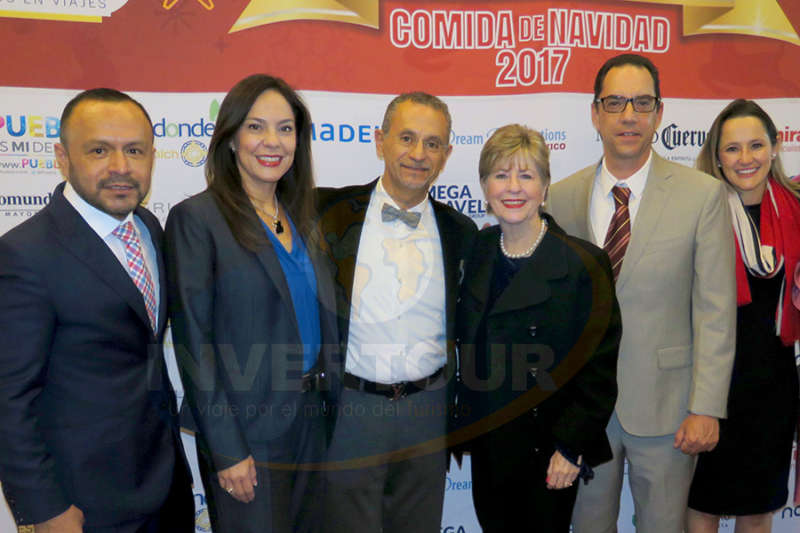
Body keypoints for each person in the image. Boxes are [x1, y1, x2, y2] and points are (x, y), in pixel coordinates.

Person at [548, 53, 737, 533]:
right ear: (595, 113)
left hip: (669, 409)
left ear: (659, 111)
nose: (628, 115)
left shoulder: (702, 195)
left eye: (641, 102)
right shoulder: (562, 197)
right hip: (586, 409)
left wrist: (706, 407)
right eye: (615, 102)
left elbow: (715, 311)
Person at [0, 89, 194, 532]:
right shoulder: (24, 255)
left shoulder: (148, 227)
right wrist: (45, 509)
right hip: (84, 506)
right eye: (99, 150)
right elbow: (8, 400)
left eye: (135, 150)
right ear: (62, 158)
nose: (121, 167)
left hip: (164, 489)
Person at [165, 74, 338, 533]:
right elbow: (193, 342)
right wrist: (226, 449)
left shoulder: (303, 216)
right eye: (256, 126)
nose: (272, 141)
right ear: (231, 137)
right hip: (247, 435)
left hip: (311, 422)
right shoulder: (197, 220)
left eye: (285, 129)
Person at [316, 92, 477, 533]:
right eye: (406, 138)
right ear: (379, 140)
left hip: (428, 411)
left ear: (446, 155)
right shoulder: (325, 214)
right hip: (351, 408)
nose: (418, 154)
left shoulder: (461, 232)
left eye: (432, 143)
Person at [456, 124, 621, 532]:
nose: (513, 187)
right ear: (484, 185)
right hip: (491, 446)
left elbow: (598, 370)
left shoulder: (583, 264)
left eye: (526, 175)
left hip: (549, 451)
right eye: (500, 174)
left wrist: (570, 445)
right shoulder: (476, 252)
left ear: (545, 187)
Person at [687, 99, 800, 533]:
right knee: (702, 503)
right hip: (709, 384)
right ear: (716, 155)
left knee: (758, 508)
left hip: (773, 385)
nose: (745, 158)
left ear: (775, 147)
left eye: (756, 145)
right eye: (732, 149)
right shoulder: (697, 209)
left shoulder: (795, 207)